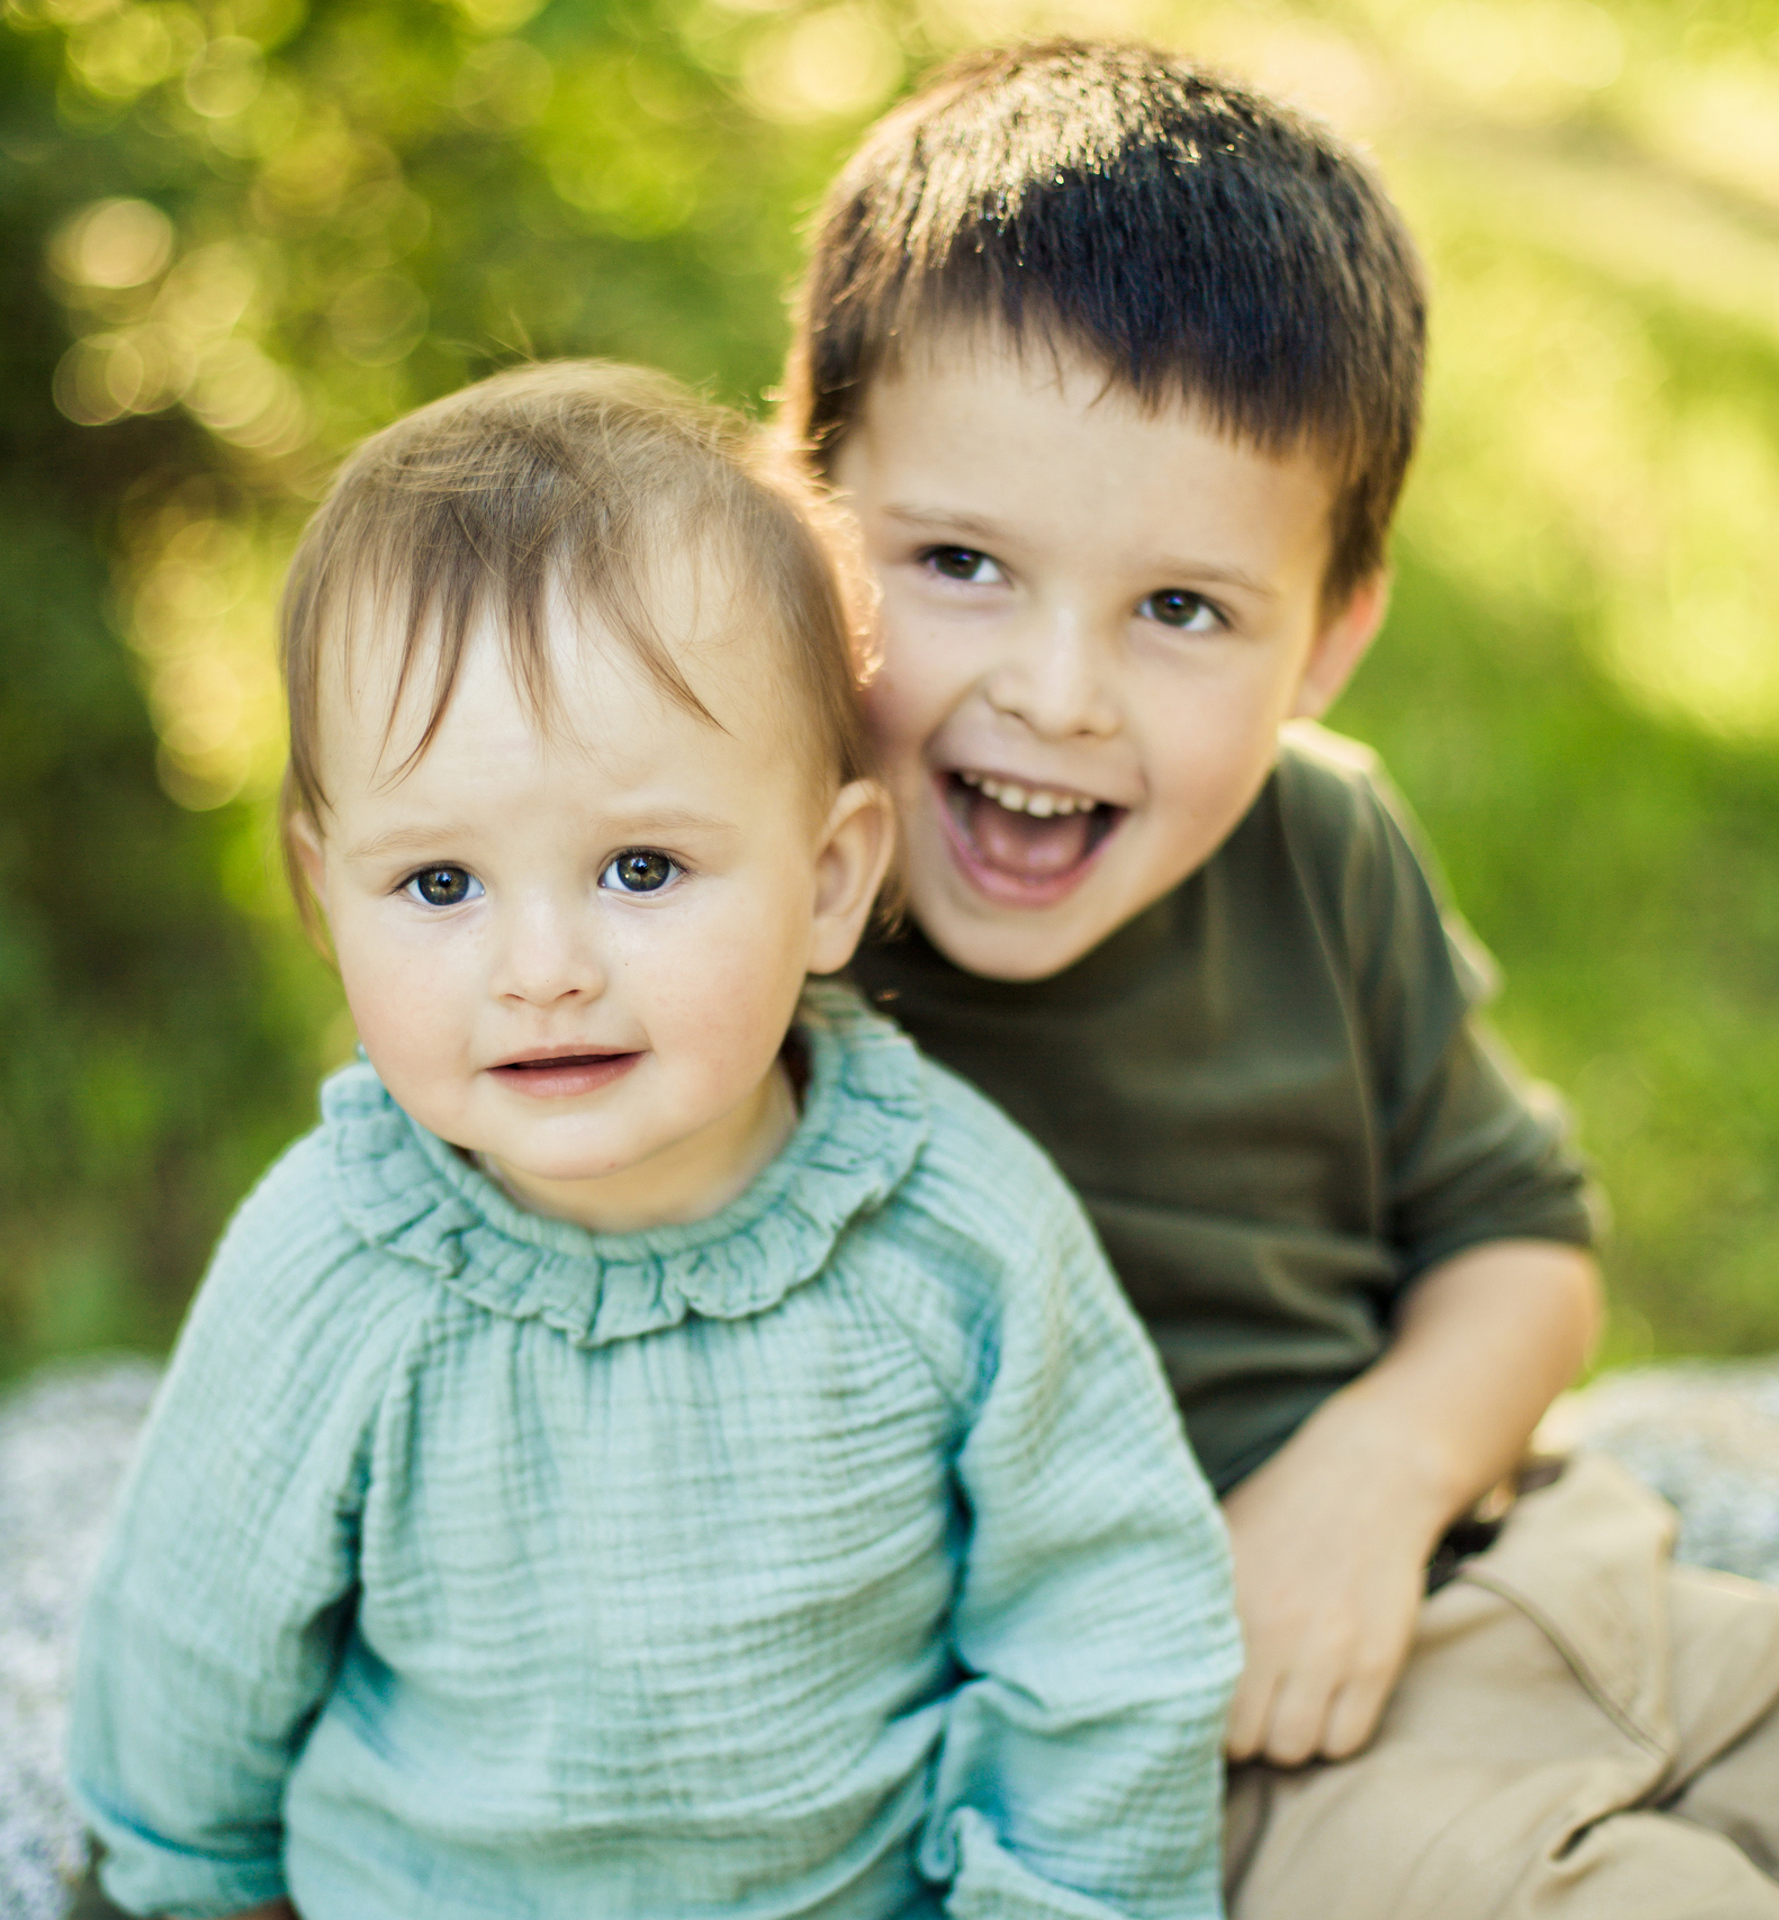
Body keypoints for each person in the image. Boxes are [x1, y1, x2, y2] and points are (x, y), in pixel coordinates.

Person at [784, 41, 1779, 1917]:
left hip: (1515, 1575)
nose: (1058, 692)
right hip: (1245, 1744)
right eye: (962, 563)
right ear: (803, 500)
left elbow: (1520, 1242)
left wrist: (1381, 1472)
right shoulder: (735, 922)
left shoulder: (1320, 845)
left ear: (1329, 635)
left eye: (1181, 609)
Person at [65, 361, 1242, 1920]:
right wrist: (179, 1888)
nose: (539, 965)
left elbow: (1109, 1619)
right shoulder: (337, 1263)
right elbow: (196, 1636)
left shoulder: (949, 1228)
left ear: (829, 881)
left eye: (638, 866)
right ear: (324, 893)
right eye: (438, 887)